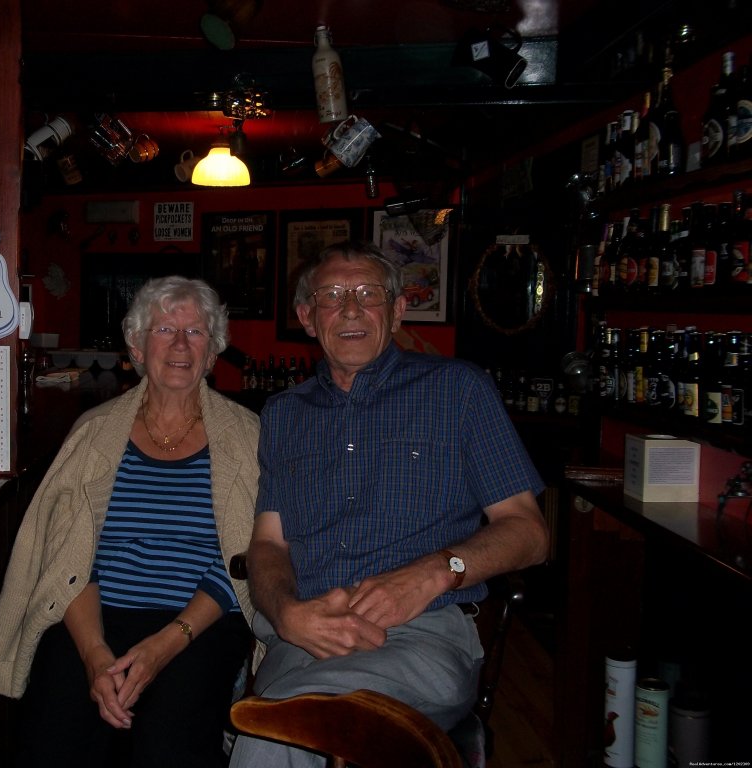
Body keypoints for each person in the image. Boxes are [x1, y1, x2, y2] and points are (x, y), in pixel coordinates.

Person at [229, 241, 549, 767]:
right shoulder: (284, 415)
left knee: (274, 735)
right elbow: (268, 544)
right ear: (308, 317)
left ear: (397, 310)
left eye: (367, 294)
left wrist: (433, 572)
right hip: (307, 638)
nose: (350, 308)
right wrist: (286, 614)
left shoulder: (459, 391)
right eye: (332, 296)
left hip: (422, 636)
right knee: (283, 728)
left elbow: (530, 533)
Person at [0, 276, 260, 768]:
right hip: (95, 613)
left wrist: (166, 644)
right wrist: (95, 655)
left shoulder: (246, 435)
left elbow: (243, 556)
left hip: (198, 620)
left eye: (196, 332)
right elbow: (71, 552)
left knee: (168, 742)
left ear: (213, 354)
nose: (180, 344)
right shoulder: (94, 432)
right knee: (52, 739)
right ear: (137, 347)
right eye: (165, 329)